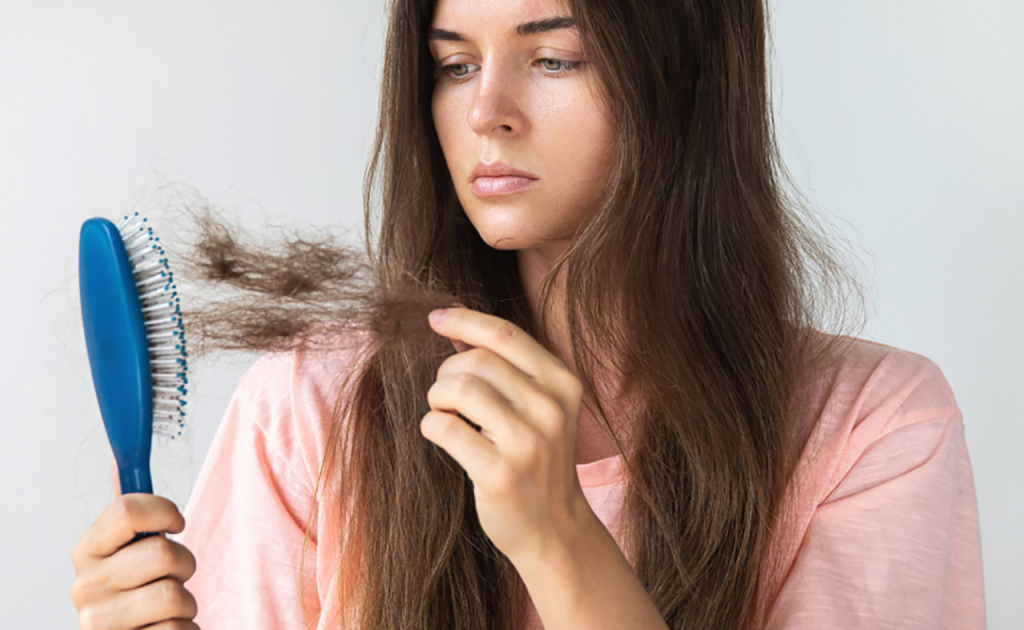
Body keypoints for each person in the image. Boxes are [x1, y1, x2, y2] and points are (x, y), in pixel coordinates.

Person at [70, 0, 987, 628]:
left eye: (553, 58)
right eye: (454, 64)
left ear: (685, 78)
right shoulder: (311, 406)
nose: (486, 112)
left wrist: (559, 538)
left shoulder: (873, 428)